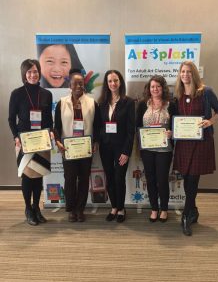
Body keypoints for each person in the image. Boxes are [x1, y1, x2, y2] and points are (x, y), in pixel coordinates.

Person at [173, 61, 218, 236]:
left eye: (188, 71)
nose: (185, 74)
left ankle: (186, 216)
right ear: (180, 74)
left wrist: (210, 121)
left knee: (193, 178)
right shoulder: (178, 94)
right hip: (184, 142)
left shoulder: (205, 92)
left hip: (202, 142)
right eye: (182, 71)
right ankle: (194, 209)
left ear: (194, 73)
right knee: (186, 178)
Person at [8, 59, 53, 226]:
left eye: (35, 71)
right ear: (24, 74)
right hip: (24, 142)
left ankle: (36, 207)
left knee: (38, 176)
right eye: (29, 72)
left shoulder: (46, 94)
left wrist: (51, 135)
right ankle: (28, 208)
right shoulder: (17, 93)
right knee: (27, 177)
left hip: (41, 141)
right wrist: (15, 137)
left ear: (39, 72)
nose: (33, 75)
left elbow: (49, 119)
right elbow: (11, 119)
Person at [54, 68, 100, 222]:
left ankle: (80, 209)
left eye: (81, 83)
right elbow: (57, 126)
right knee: (70, 179)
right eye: (75, 83)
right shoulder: (62, 103)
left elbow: (98, 125)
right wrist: (58, 142)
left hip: (85, 148)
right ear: (70, 85)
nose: (78, 86)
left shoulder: (92, 103)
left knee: (84, 179)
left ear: (84, 85)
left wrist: (96, 142)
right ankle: (71, 209)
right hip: (68, 148)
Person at [136, 75, 177, 223]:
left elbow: (176, 125)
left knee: (162, 179)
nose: (155, 89)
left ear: (163, 88)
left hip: (164, 150)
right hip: (147, 149)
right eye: (152, 86)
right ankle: (154, 208)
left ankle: (164, 209)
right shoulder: (142, 105)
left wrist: (171, 132)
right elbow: (137, 126)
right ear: (149, 88)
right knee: (151, 179)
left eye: (158, 86)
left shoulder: (171, 105)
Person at [99, 70, 135, 223]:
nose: (113, 84)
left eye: (115, 80)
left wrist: (126, 152)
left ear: (120, 82)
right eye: (110, 81)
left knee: (119, 177)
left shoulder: (128, 102)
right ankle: (113, 206)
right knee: (110, 177)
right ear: (106, 84)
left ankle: (121, 208)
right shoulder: (101, 103)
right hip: (105, 147)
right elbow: (98, 126)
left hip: (121, 148)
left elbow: (131, 130)